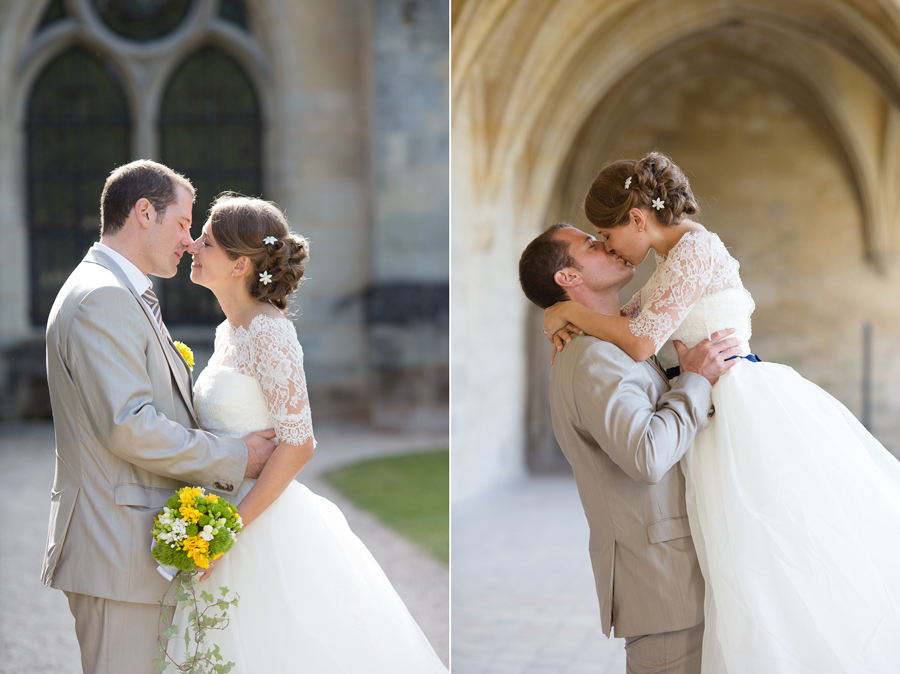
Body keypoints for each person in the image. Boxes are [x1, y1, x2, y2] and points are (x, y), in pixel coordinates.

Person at [542, 152, 900, 673]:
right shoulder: (671, 262)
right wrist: (568, 311)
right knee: (735, 561)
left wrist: (569, 310)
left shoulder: (696, 249)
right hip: (709, 411)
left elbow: (639, 342)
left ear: (637, 219)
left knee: (765, 551)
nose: (612, 247)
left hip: (740, 410)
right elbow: (627, 319)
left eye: (607, 233)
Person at [167, 193, 447, 673]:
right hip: (216, 512)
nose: (193, 245)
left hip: (257, 526)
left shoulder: (269, 332)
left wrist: (228, 533)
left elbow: (299, 442)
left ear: (239, 266)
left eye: (207, 241)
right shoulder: (228, 331)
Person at [43, 160, 278, 674]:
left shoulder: (118, 291)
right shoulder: (102, 297)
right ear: (144, 212)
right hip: (115, 550)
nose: (189, 239)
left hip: (130, 551)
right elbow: (130, 425)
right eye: (182, 222)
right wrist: (239, 455)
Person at [518, 223, 741, 674]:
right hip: (663, 583)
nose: (606, 245)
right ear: (568, 277)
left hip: (671, 576)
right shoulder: (593, 358)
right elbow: (647, 455)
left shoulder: (611, 344)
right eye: (590, 244)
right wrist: (695, 379)